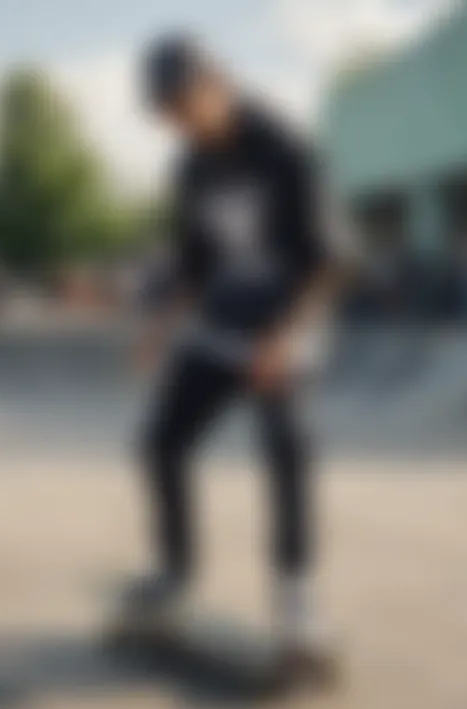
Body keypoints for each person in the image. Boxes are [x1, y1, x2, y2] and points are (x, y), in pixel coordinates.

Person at [120, 35, 350, 663]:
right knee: (162, 442)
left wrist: (286, 338)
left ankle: (297, 596)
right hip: (223, 329)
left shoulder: (286, 150)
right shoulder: (190, 167)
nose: (179, 126)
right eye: (165, 116)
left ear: (215, 87)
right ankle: (175, 572)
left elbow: (328, 262)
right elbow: (193, 263)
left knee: (286, 447)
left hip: (286, 326)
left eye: (183, 109)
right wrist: (159, 327)